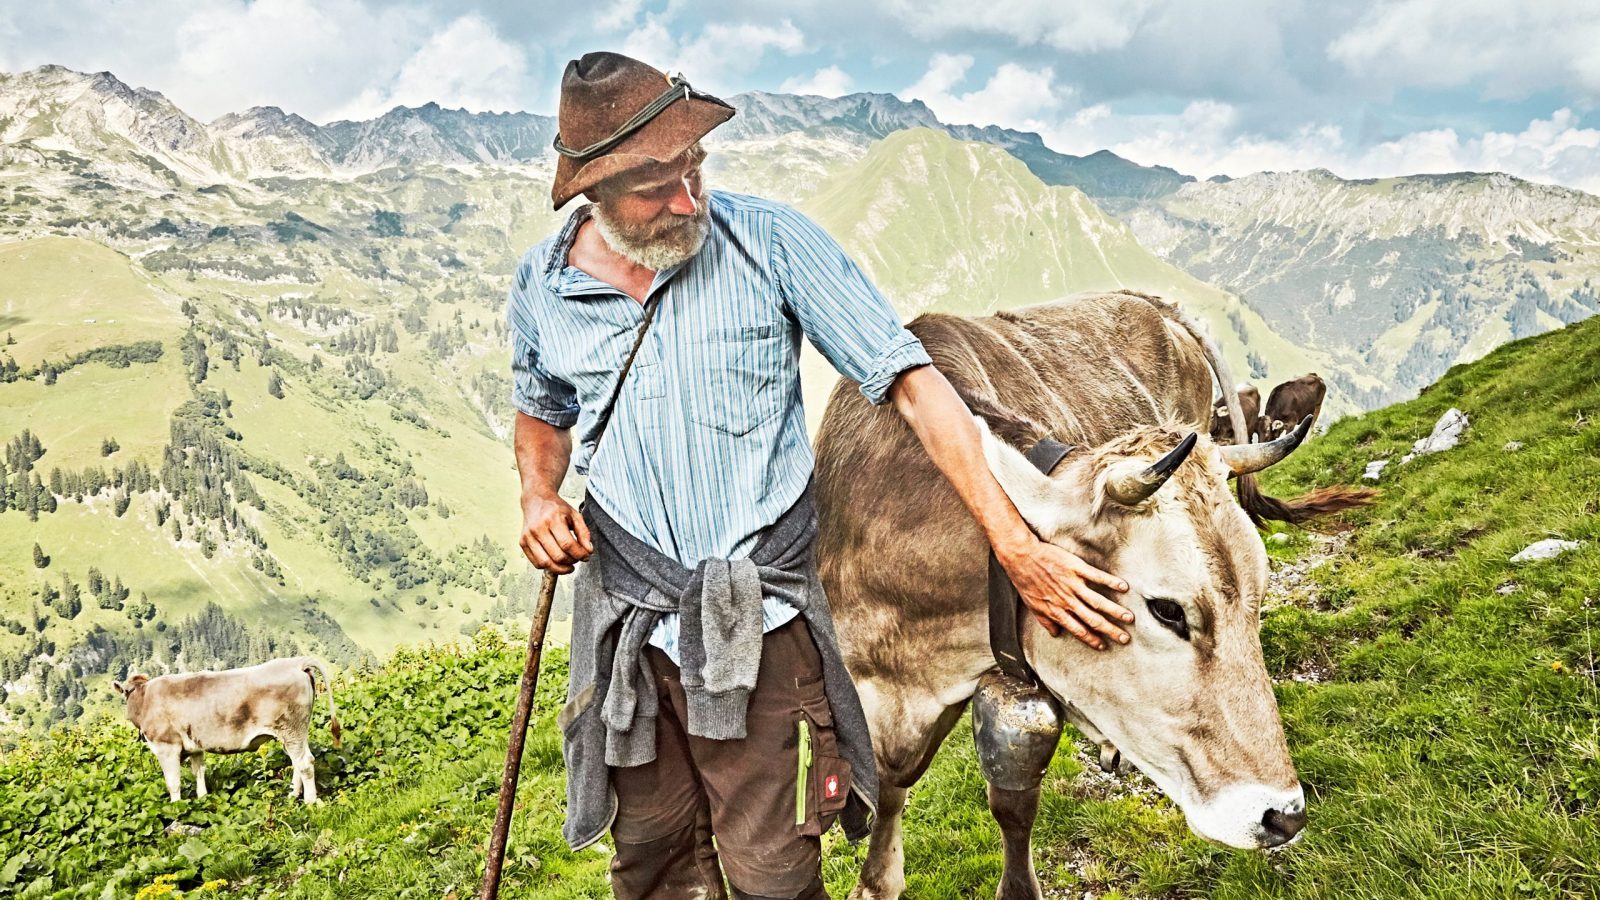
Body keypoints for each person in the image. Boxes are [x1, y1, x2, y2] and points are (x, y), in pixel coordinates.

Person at [508, 51, 1134, 900]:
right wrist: (538, 494)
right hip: (633, 621)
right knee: (650, 863)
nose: (688, 199)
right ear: (593, 190)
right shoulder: (543, 290)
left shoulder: (769, 242)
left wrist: (1017, 546)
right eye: (657, 186)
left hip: (760, 619)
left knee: (774, 870)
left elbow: (914, 386)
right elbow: (542, 409)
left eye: (694, 167)